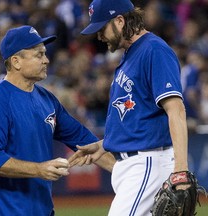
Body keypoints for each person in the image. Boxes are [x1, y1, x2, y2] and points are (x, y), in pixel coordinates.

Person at [0, 25, 115, 216]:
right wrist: (39, 170)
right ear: (16, 62)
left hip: (40, 209)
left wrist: (124, 173)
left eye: (45, 54)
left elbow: (86, 142)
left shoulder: (47, 99)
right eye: (38, 55)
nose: (46, 60)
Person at [68, 0, 190, 215]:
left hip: (147, 164)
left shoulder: (154, 50)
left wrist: (181, 170)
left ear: (120, 21)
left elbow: (176, 110)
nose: (99, 36)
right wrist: (106, 144)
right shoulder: (131, 54)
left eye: (101, 28)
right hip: (132, 166)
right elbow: (138, 116)